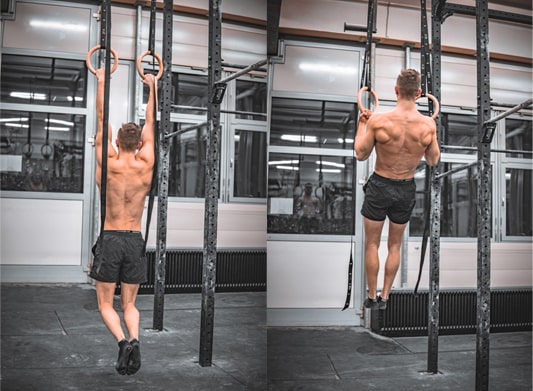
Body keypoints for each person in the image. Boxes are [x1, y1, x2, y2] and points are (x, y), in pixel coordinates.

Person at [354, 69, 440, 310]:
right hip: (405, 188)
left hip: (380, 185)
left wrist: (362, 124)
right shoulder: (427, 125)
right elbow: (433, 160)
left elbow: (361, 154)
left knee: (372, 244)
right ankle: (385, 296)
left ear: (395, 90)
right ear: (420, 94)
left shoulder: (378, 121)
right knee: (395, 245)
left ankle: (371, 297)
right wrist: (430, 131)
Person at [89, 68, 156, 375]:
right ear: (140, 143)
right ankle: (136, 341)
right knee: (130, 304)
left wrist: (103, 79)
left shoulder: (110, 161)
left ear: (115, 141)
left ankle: (121, 344)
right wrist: (152, 86)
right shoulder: (146, 161)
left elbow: (102, 118)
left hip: (111, 237)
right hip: (134, 239)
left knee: (105, 304)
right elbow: (152, 123)